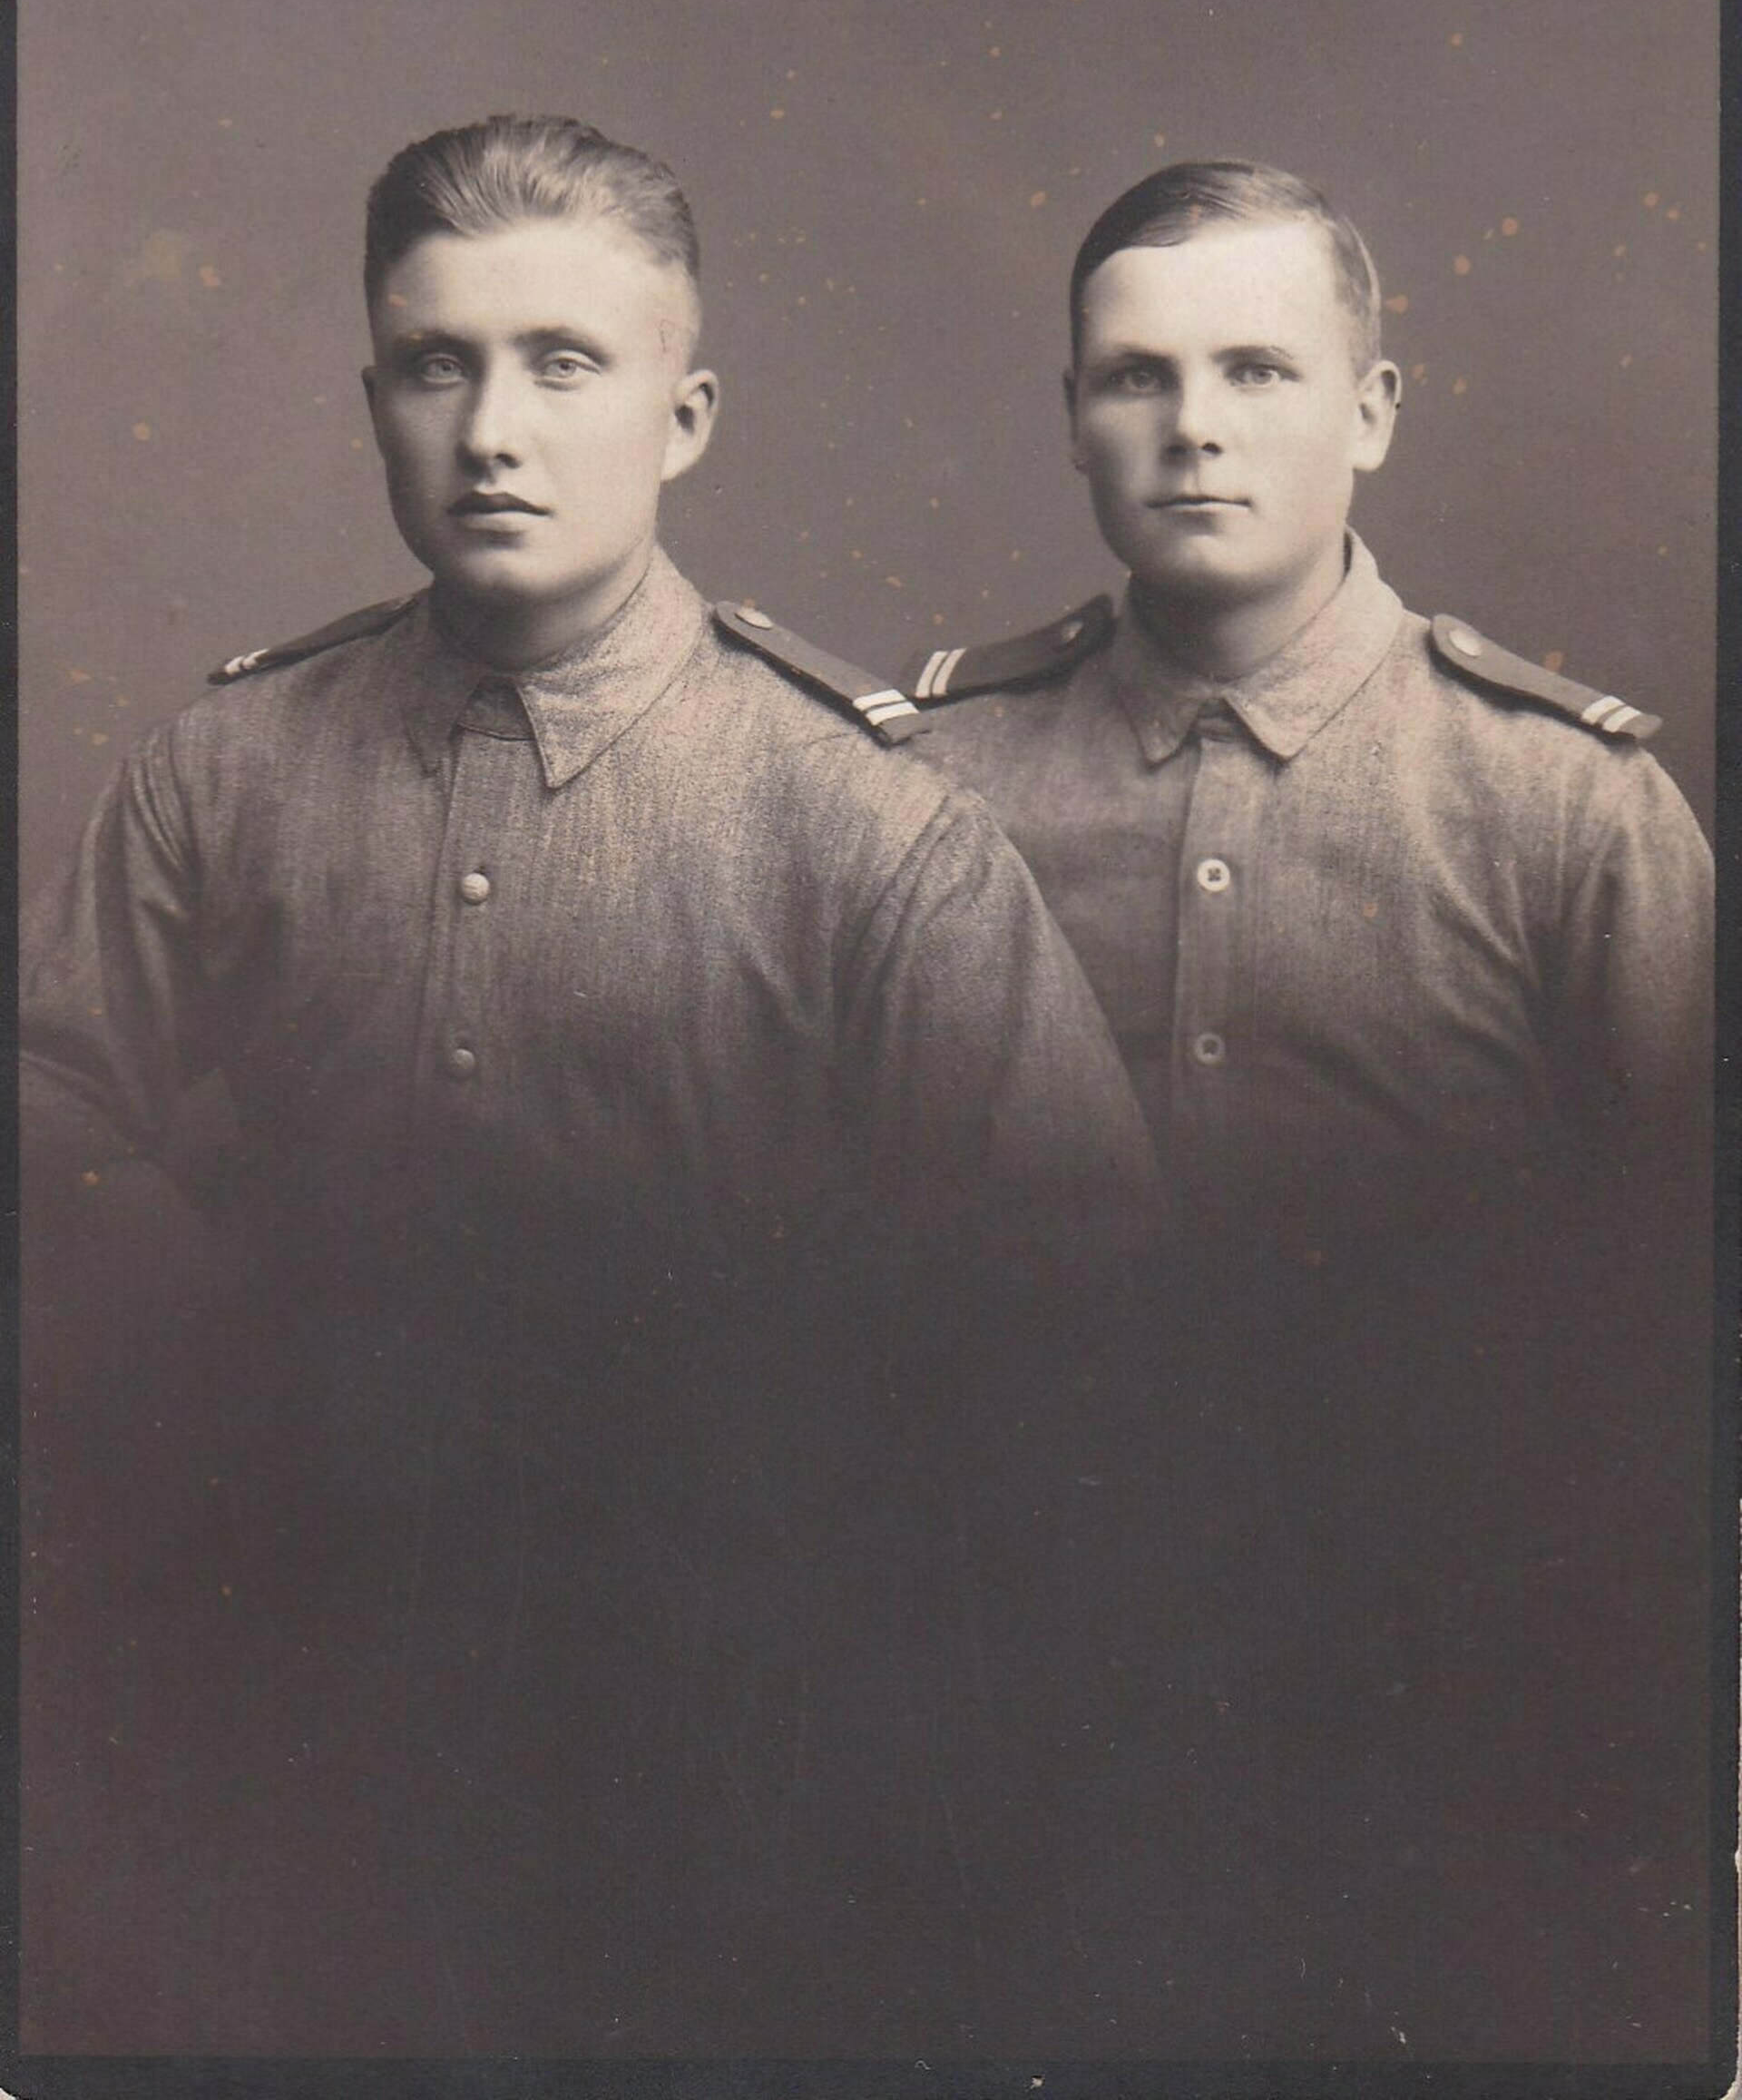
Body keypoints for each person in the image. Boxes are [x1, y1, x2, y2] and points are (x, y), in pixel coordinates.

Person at [20, 114, 1161, 2059]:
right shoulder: (228, 769)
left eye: (565, 364)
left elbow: (1083, 1308)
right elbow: (45, 1090)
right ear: (372, 392)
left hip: (739, 1754)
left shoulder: (863, 823)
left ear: (686, 412)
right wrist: (204, 1326)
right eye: (436, 363)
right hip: (295, 1704)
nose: (491, 430)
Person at [900, 161, 1715, 2060]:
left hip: (1446, 1698)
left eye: (1261, 369)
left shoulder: (1569, 813)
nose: (1194, 424)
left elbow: (1681, 1336)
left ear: (1372, 409)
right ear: (1074, 418)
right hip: (1007, 1694)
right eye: (1136, 376)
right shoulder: (928, 779)